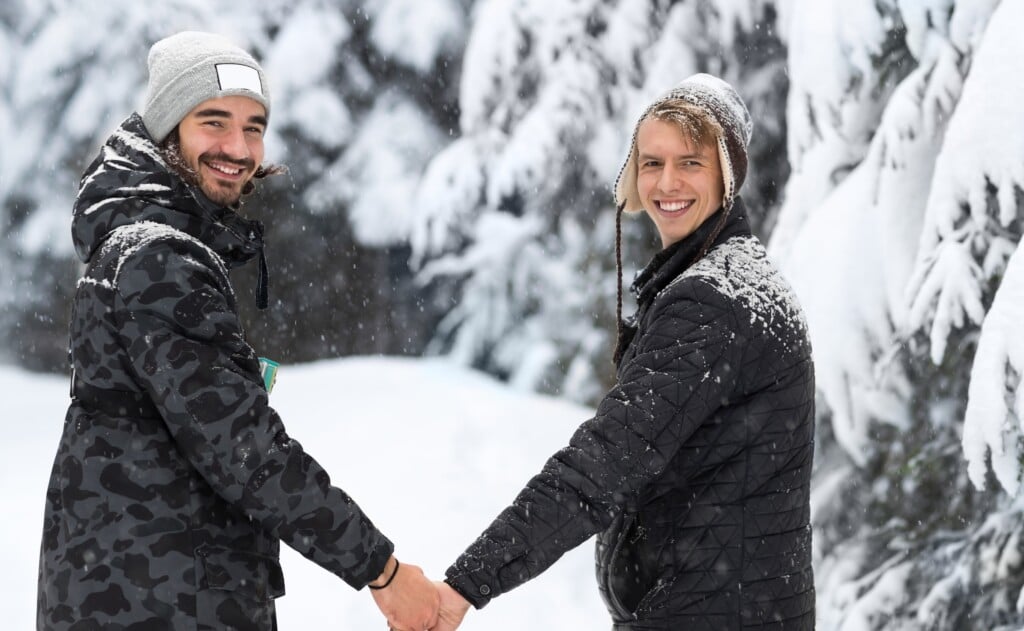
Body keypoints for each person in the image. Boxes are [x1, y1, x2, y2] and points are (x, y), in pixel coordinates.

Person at [36, 31, 438, 631]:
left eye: (254, 127)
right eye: (214, 122)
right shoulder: (158, 259)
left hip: (139, 587)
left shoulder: (142, 245)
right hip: (161, 600)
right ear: (169, 127)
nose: (238, 147)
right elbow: (243, 449)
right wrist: (383, 571)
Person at [431, 74, 816, 630]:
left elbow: (603, 464)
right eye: (652, 162)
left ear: (728, 175)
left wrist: (466, 585)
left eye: (691, 163)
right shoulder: (738, 280)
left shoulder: (711, 303)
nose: (667, 182)